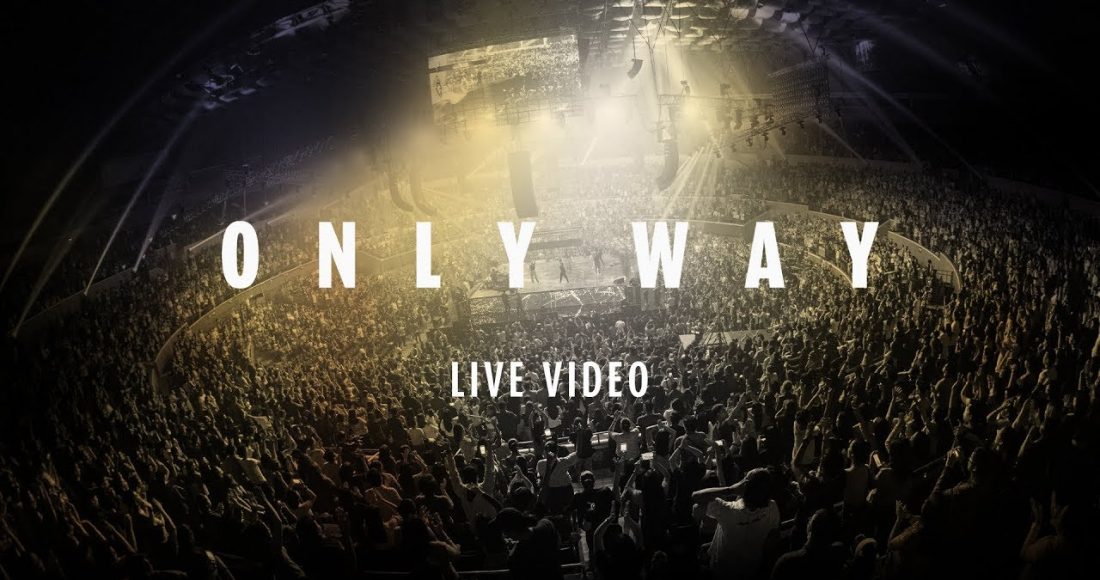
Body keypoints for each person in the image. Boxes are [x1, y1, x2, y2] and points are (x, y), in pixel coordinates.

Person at [693, 468, 780, 579]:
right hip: (751, 569)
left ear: (745, 486)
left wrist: (731, 489)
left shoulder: (728, 510)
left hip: (722, 571)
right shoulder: (772, 507)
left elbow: (696, 496)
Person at [770, 508, 844, 580]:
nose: (809, 519)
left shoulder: (786, 562)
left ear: (811, 528)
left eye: (811, 519)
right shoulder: (837, 558)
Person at [494, 508, 562, 580]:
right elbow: (557, 541)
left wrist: (516, 546)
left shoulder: (516, 558)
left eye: (504, 532)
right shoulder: (546, 525)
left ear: (511, 532)